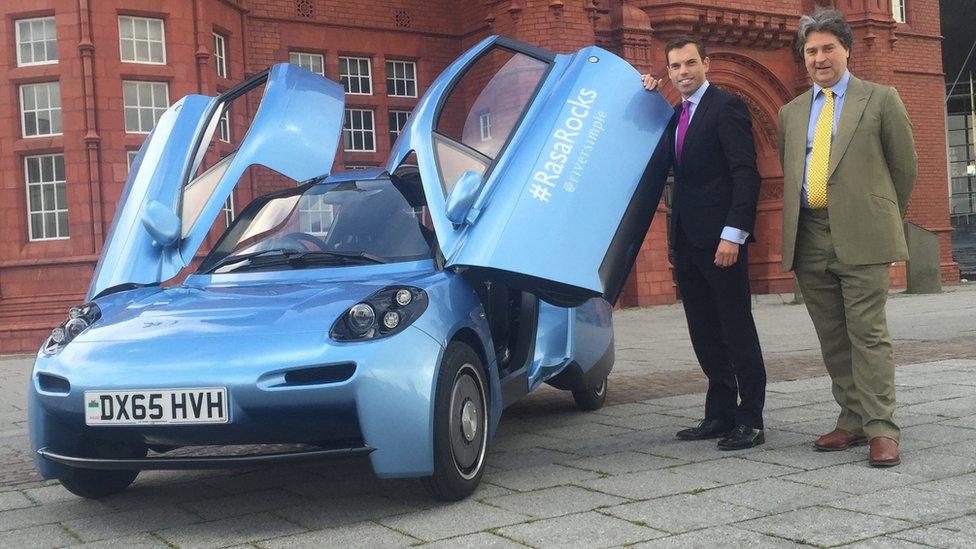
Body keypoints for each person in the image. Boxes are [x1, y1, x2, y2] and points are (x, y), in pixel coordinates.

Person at [777, 8, 917, 467]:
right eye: (811, 50)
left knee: (867, 333)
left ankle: (882, 428)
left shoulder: (880, 99)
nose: (819, 58)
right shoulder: (791, 113)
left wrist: (881, 217)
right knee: (833, 336)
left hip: (862, 234)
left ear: (846, 51)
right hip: (810, 234)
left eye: (827, 48)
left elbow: (904, 169)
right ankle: (852, 417)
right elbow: (791, 171)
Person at [642, 36, 766, 450]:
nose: (683, 73)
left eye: (690, 64)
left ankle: (751, 419)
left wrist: (734, 234)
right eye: (675, 66)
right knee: (704, 329)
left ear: (706, 64)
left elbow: (746, 174)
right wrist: (642, 97)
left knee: (736, 328)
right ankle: (719, 414)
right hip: (688, 242)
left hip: (722, 243)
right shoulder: (676, 114)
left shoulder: (726, 107)